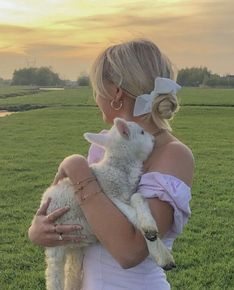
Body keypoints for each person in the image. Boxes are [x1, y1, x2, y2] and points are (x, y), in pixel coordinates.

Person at [28, 39, 194, 289]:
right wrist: (42, 231)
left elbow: (130, 251)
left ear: (116, 92)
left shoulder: (174, 154)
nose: (95, 98)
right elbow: (88, 220)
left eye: (96, 89)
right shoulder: (103, 145)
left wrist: (77, 169)